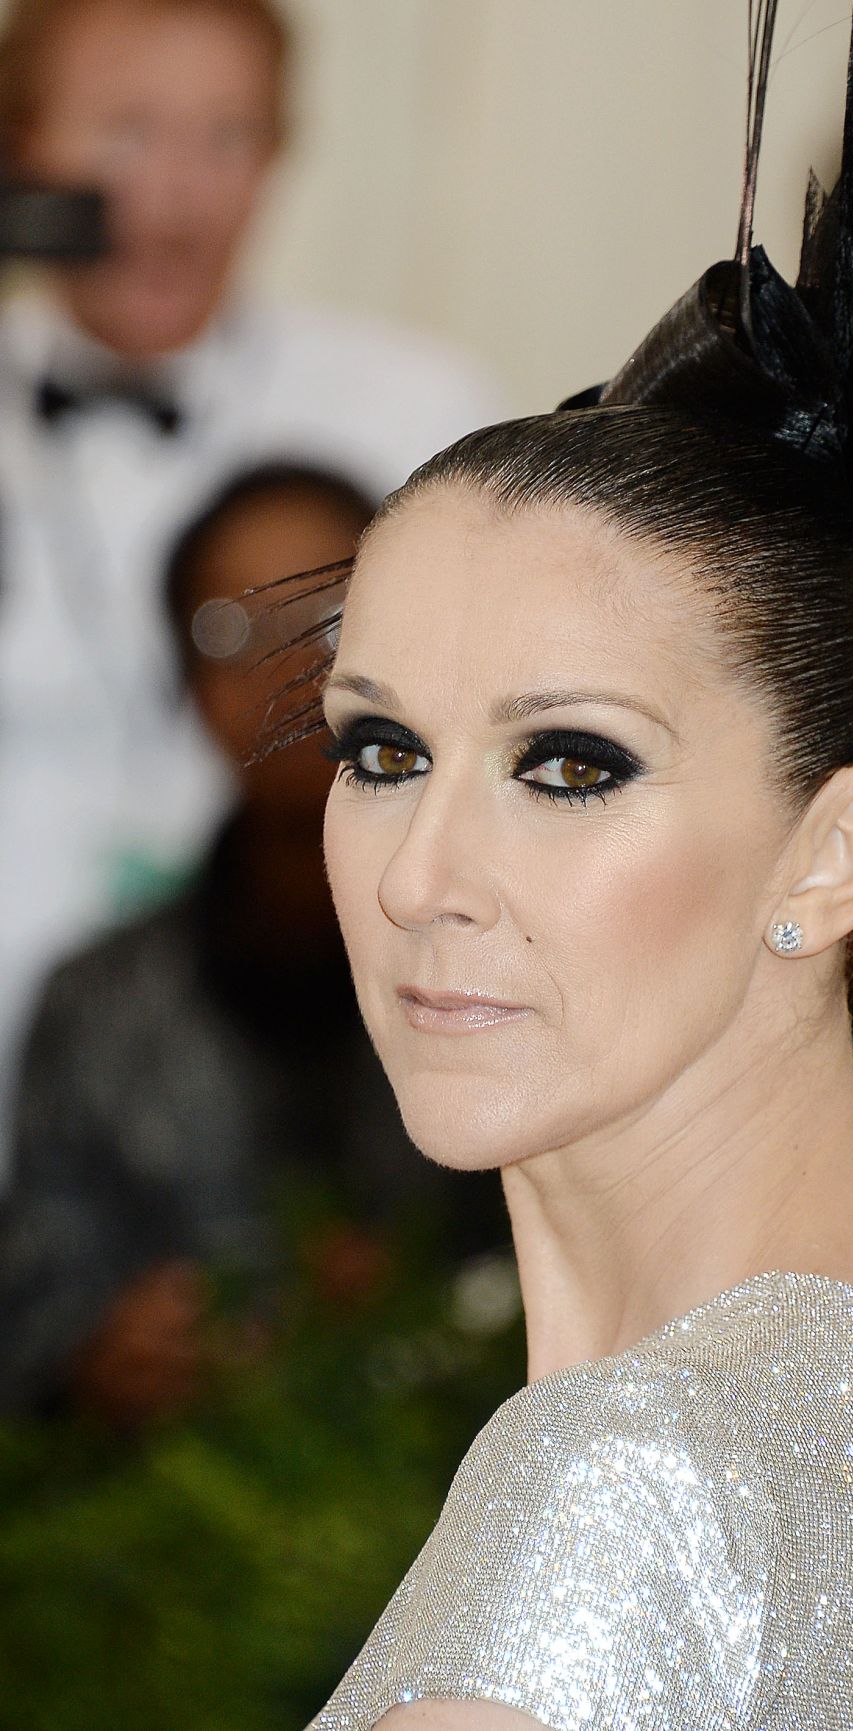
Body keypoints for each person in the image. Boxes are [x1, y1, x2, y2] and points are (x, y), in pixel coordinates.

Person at [292, 3, 853, 1726]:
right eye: (381, 749)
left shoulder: (631, 1486)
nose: (421, 876)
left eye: (571, 765)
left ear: (837, 851)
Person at [0, 0, 503, 1182]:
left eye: (227, 138)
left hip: (293, 1119)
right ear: (22, 152)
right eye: (125, 134)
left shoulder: (416, 414)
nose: (177, 196)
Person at [0, 463, 506, 1426]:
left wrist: (427, 1295)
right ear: (187, 687)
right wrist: (97, 1356)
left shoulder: (514, 951)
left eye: (331, 620)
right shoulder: (94, 1006)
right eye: (235, 632)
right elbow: (31, 1303)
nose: (294, 669)